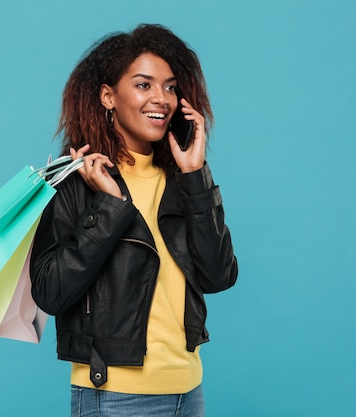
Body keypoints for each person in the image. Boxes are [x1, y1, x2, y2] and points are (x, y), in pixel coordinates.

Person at [29, 23, 238, 417]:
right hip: (116, 395)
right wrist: (108, 209)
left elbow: (218, 276)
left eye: (171, 87)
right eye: (144, 85)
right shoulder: (76, 182)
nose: (161, 98)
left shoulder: (181, 178)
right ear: (108, 96)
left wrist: (196, 178)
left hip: (188, 391)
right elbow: (50, 292)